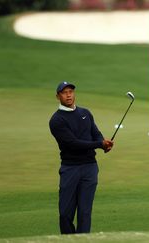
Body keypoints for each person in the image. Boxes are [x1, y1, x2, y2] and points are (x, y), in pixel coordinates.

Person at [49, 81, 114, 234]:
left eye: (70, 91)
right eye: (64, 92)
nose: (68, 94)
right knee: (65, 214)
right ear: (57, 96)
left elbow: (95, 132)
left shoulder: (85, 113)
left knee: (85, 213)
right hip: (70, 168)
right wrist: (99, 144)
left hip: (89, 168)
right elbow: (73, 143)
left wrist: (104, 143)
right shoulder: (57, 120)